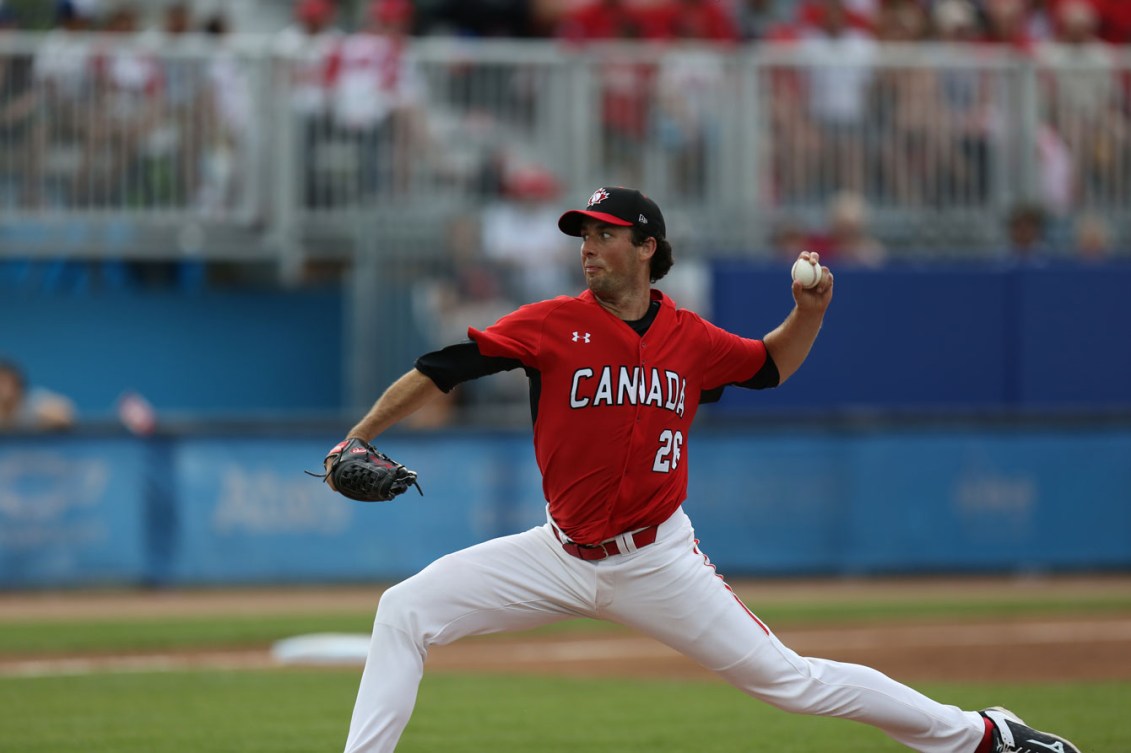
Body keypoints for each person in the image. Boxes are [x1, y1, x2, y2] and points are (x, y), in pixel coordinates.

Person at [324, 186, 1083, 753]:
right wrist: (356, 437)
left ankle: (983, 735)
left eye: (604, 234)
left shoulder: (689, 338)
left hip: (656, 559)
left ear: (647, 246)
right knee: (404, 610)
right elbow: (440, 367)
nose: (587, 246)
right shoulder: (551, 323)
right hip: (556, 552)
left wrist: (808, 312)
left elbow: (769, 365)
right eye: (582, 234)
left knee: (792, 681)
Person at [0, 359, 75, 431]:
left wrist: (41, 423)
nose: (2, 388)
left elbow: (65, 417)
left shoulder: (37, 403)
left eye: (4, 383)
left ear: (18, 385)